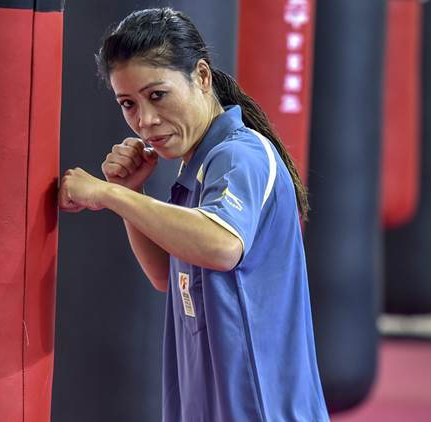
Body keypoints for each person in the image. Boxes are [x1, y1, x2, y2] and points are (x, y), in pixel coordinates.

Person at [58, 7, 329, 421]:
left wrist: (109, 194)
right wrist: (130, 191)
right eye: (128, 104)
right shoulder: (198, 168)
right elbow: (166, 275)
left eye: (157, 95)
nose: (145, 121)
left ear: (201, 76)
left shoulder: (239, 154)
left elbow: (221, 245)